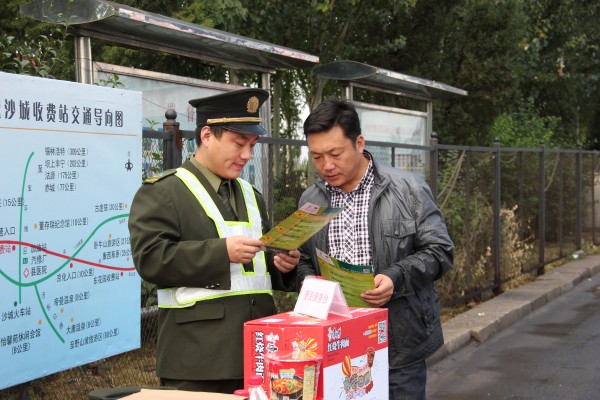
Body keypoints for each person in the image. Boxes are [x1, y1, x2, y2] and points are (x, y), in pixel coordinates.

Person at [128, 88, 300, 394]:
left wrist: (283, 265)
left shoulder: (251, 195)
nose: (247, 155)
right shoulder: (164, 191)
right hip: (197, 360)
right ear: (207, 135)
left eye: (252, 145)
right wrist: (222, 252)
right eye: (239, 143)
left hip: (259, 353)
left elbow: (257, 269)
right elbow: (151, 259)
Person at [296, 98, 454, 400]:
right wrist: (306, 279)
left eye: (335, 154)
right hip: (336, 347)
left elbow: (440, 250)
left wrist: (396, 278)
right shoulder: (311, 199)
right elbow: (304, 258)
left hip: (398, 347)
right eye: (316, 157)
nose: (327, 165)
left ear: (359, 143)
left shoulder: (408, 190)